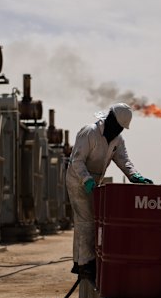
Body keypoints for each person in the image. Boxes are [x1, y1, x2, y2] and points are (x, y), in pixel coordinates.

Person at [66, 103, 153, 279]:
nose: (118, 131)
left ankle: (79, 261)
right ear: (110, 120)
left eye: (121, 129)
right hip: (77, 178)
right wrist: (86, 180)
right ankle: (85, 264)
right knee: (86, 220)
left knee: (86, 220)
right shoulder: (89, 132)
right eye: (117, 127)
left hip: (94, 181)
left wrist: (135, 176)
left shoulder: (117, 140)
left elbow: (123, 160)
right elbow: (77, 161)